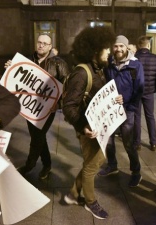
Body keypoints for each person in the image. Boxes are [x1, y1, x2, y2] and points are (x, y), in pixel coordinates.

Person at [62, 26, 118, 220]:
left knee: (97, 161)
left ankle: (73, 194)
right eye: (106, 48)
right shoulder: (82, 73)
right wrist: (83, 127)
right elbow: (69, 107)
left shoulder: (98, 69)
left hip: (99, 127)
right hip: (88, 130)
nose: (110, 52)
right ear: (95, 50)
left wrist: (114, 101)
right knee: (92, 165)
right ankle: (91, 202)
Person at [7, 34, 70, 179]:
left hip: (48, 108)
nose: (41, 45)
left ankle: (30, 164)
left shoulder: (59, 63)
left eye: (44, 43)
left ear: (50, 47)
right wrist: (11, 69)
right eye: (39, 42)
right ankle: (47, 165)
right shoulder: (27, 61)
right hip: (30, 106)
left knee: (38, 136)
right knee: (38, 136)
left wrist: (58, 103)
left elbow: (66, 86)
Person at [97, 35, 145, 187]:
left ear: (127, 47)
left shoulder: (135, 65)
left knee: (128, 143)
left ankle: (136, 172)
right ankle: (112, 165)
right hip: (111, 108)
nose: (118, 49)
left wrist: (128, 102)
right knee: (109, 140)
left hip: (128, 109)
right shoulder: (109, 63)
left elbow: (139, 89)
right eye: (116, 46)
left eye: (121, 46)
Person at [134, 35, 156, 151]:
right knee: (150, 116)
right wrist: (154, 88)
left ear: (138, 45)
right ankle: (154, 142)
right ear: (148, 45)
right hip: (149, 91)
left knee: (136, 117)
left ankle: (137, 143)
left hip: (136, 92)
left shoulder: (133, 58)